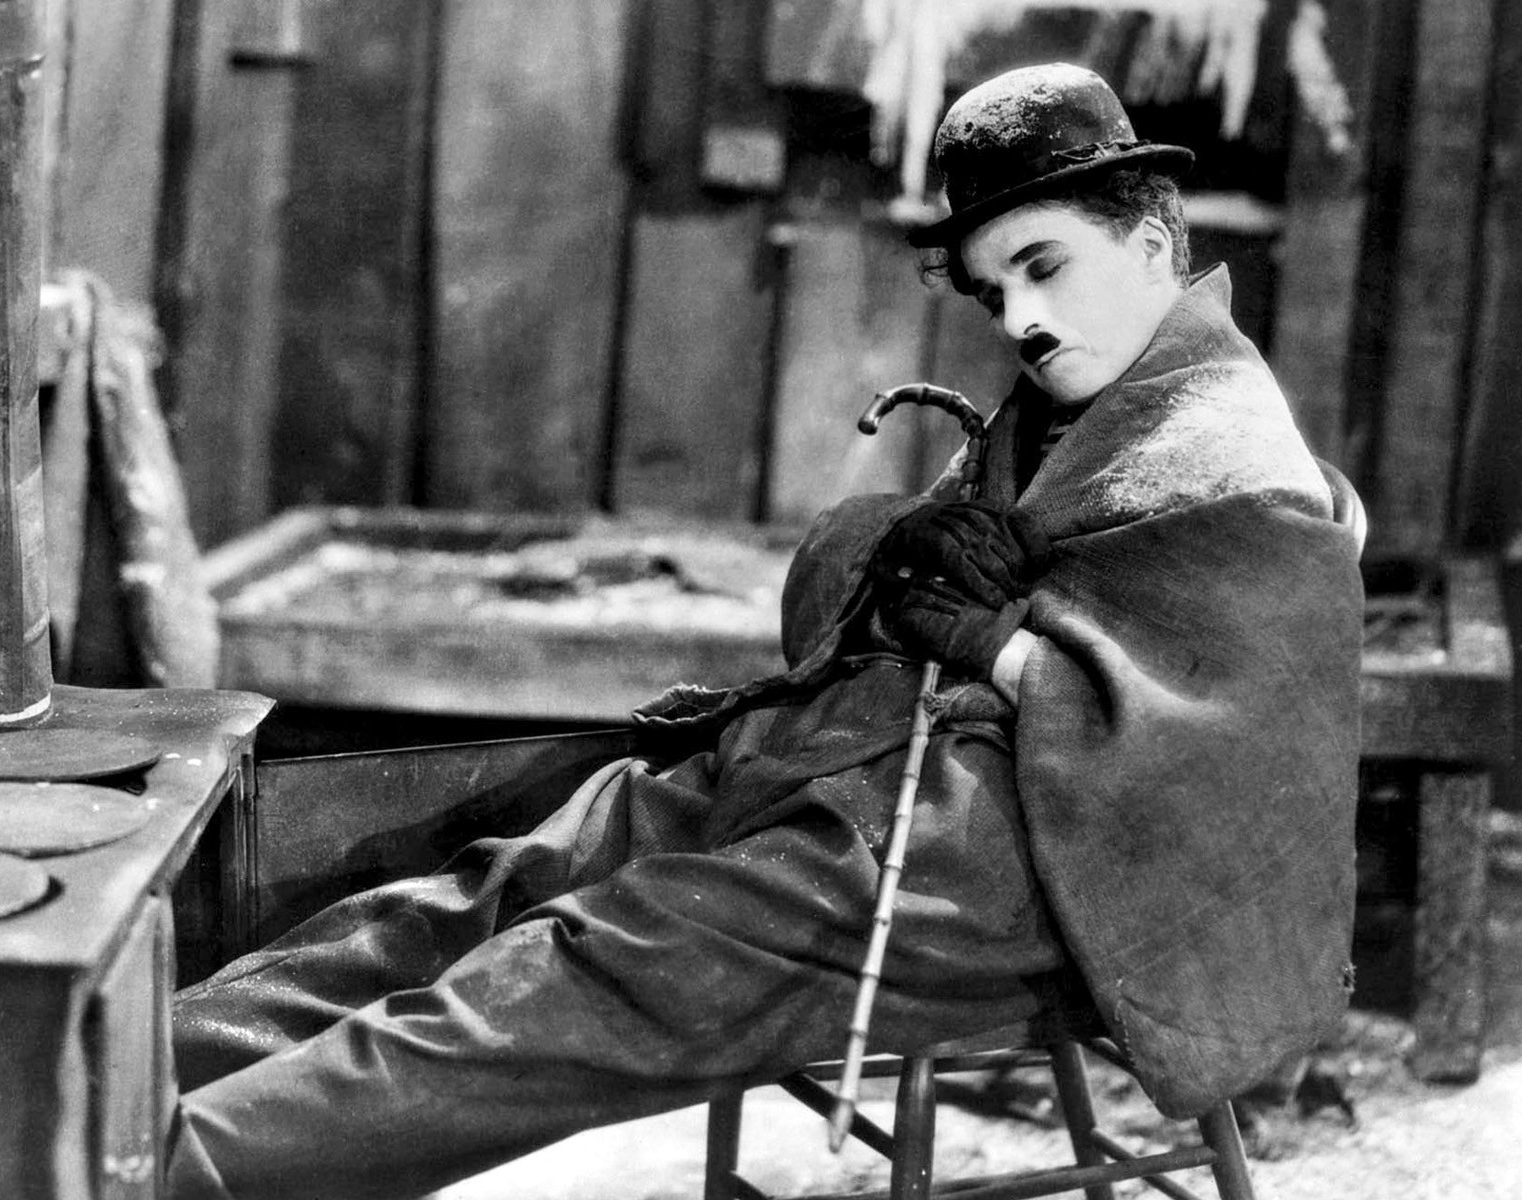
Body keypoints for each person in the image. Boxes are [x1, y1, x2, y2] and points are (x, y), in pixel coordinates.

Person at [164, 63, 1363, 1199]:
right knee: (509, 879)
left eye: (1045, 266)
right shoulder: (1083, 394)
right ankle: (112, 1062)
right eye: (996, 290)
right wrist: (900, 540)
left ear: (1150, 245)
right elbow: (868, 601)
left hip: (1031, 867)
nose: (1022, 319)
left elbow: (1228, 770)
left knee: (595, 962)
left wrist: (996, 646)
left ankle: (154, 1173)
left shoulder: (1232, 466)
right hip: (865, 765)